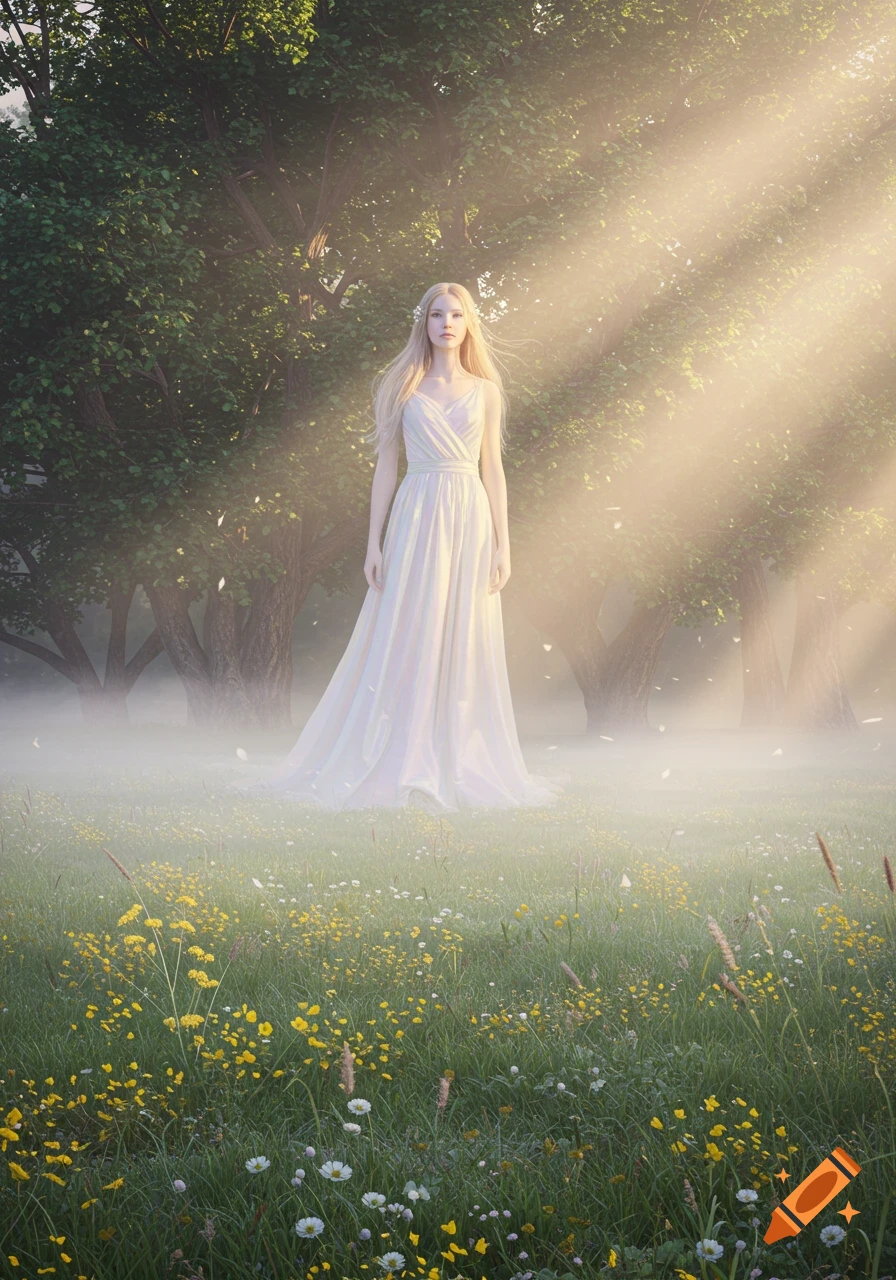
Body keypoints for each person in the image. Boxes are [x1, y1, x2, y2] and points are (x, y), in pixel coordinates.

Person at [242, 281, 568, 813]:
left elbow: (494, 470)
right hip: (416, 514)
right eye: (437, 314)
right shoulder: (403, 385)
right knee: (407, 626)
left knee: (463, 631)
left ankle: (457, 753)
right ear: (424, 322)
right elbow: (385, 468)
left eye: (456, 315)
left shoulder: (486, 390)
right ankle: (401, 751)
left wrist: (505, 545)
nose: (446, 323)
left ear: (468, 324)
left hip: (468, 513)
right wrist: (373, 542)